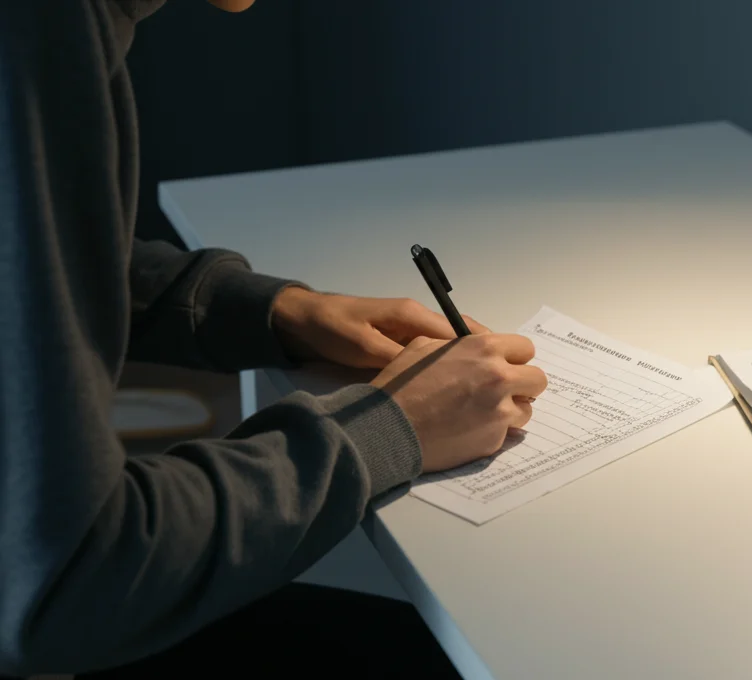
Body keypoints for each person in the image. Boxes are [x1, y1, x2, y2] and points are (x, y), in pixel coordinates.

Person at [0, 0, 548, 677]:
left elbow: (29, 265)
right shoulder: (36, 29)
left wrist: (270, 311)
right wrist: (388, 427)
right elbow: (66, 580)